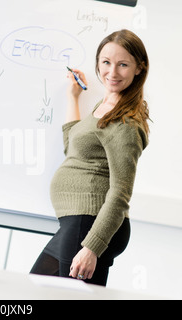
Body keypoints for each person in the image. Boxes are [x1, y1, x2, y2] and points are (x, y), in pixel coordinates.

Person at [30, 29, 150, 286]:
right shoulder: (105, 105)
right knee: (32, 289)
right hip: (78, 223)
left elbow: (120, 194)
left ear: (139, 68)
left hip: (90, 224)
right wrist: (74, 97)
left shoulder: (125, 124)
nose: (112, 72)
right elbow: (72, 149)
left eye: (123, 65)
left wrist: (92, 248)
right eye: (106, 62)